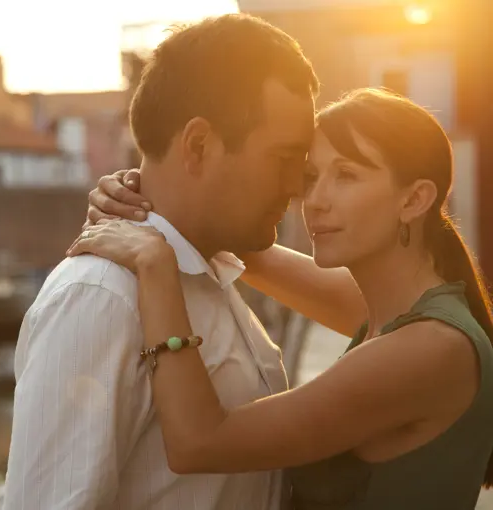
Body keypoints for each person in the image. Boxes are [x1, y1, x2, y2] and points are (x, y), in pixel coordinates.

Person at [70, 88, 493, 509]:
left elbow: (199, 443)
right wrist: (143, 195)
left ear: (414, 199)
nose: (315, 201)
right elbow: (233, 238)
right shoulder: (395, 308)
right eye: (311, 178)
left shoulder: (429, 349)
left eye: (346, 175)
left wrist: (155, 266)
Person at [2, 14, 319, 510]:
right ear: (197, 145)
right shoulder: (100, 296)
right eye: (284, 158)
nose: (298, 186)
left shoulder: (208, 273)